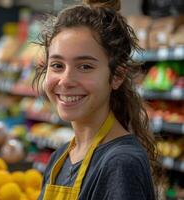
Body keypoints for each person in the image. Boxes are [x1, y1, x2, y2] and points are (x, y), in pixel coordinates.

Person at [33, 0, 162, 199]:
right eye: (57, 65)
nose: (66, 81)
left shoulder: (121, 164)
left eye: (85, 66)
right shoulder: (59, 158)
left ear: (117, 76)